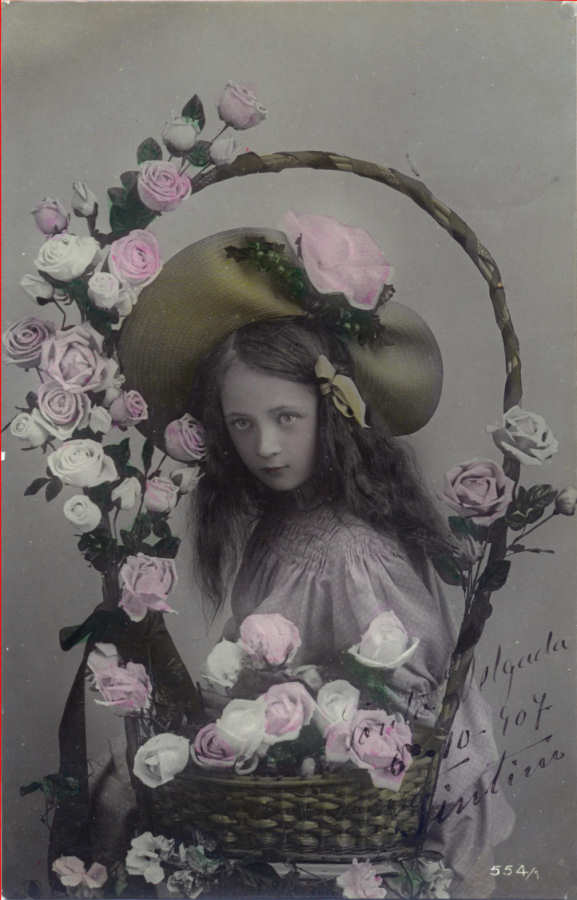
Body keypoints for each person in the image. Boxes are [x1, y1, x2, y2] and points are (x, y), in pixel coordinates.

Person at [118, 218, 516, 898]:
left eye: (286, 417)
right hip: (286, 807)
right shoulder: (281, 527)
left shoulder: (352, 552)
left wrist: (296, 709)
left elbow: (414, 712)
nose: (264, 447)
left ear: (329, 412)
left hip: (353, 824)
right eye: (242, 424)